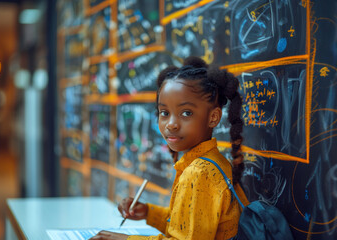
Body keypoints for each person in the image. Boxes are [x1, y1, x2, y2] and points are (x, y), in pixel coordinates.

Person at [90, 57, 249, 240]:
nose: (171, 124)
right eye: (164, 113)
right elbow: (189, 225)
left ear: (213, 117)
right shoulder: (214, 161)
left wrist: (124, 239)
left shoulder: (198, 173)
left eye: (186, 113)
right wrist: (149, 213)